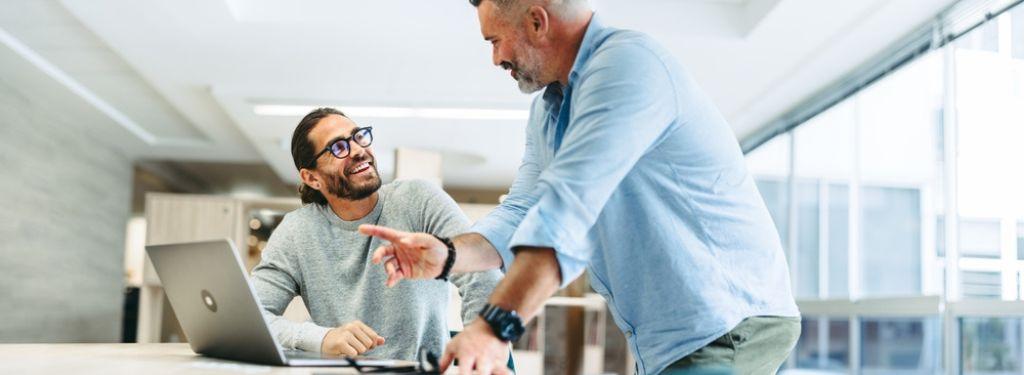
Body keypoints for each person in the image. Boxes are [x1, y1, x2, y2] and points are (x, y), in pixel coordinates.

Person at [359, 0, 801, 373]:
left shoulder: (627, 66)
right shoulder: (549, 110)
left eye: (495, 40)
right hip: (679, 339)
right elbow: (523, 211)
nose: (495, 59)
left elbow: (566, 210)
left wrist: (495, 328)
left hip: (728, 322)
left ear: (537, 21)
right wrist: (448, 254)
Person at [250, 107, 503, 361]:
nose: (359, 151)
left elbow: (482, 274)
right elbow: (251, 318)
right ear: (311, 178)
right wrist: (323, 338)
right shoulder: (297, 231)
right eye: (338, 147)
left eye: (358, 137)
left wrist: (481, 348)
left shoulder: (419, 200)